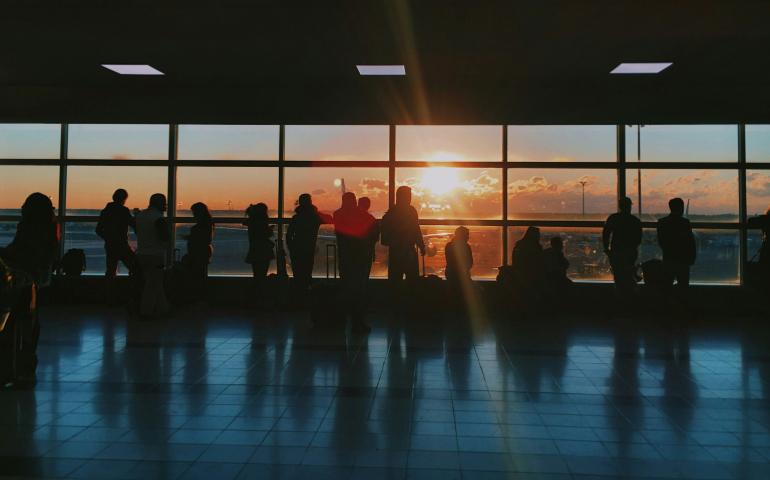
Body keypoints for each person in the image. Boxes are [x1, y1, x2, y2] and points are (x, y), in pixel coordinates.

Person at [0, 192, 60, 383]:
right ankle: (24, 369)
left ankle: (12, 369)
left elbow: (18, 252)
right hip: (36, 279)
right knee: (29, 324)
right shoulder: (50, 226)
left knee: (14, 324)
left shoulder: (29, 227)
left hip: (23, 281)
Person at [334, 192, 375, 332]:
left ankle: (341, 319)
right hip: (360, 258)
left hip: (344, 257)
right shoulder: (361, 216)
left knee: (345, 288)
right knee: (359, 290)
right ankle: (357, 322)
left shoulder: (337, 214)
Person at [381, 186, 425, 293]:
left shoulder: (390, 213)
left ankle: (397, 304)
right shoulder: (411, 211)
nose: (410, 198)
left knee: (395, 281)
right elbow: (416, 230)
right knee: (412, 280)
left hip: (396, 252)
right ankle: (409, 304)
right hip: (409, 251)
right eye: (408, 196)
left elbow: (385, 238)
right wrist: (421, 245)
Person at [286, 194, 332, 294]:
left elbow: (289, 234)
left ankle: (298, 295)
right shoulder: (314, 217)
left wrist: (291, 247)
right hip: (309, 248)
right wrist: (316, 212)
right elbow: (329, 218)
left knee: (298, 273)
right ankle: (305, 294)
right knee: (306, 272)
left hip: (296, 249)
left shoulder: (296, 218)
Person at [135, 193, 171, 318]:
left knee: (154, 283)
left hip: (141, 254)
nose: (166, 206)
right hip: (155, 255)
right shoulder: (158, 218)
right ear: (159, 204)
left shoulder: (140, 216)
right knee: (153, 284)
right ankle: (146, 311)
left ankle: (163, 309)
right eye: (164, 203)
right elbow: (165, 237)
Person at [602, 197, 642, 298]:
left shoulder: (613, 218)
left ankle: (620, 298)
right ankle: (630, 298)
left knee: (619, 277)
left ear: (620, 206)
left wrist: (607, 249)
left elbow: (606, 234)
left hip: (616, 252)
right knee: (629, 276)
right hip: (629, 252)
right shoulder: (635, 220)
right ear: (629, 206)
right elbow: (638, 239)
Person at [657, 198, 696, 293]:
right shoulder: (685, 222)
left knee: (667, 286)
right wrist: (691, 257)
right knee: (683, 287)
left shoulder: (662, 222)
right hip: (683, 260)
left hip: (668, 258)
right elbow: (690, 242)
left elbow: (661, 241)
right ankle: (681, 305)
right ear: (681, 208)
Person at [96, 188, 136, 280]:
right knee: (134, 267)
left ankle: (109, 291)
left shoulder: (105, 211)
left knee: (110, 271)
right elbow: (132, 223)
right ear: (124, 199)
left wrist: (108, 238)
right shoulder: (124, 210)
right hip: (122, 244)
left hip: (110, 245)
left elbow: (98, 230)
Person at [244, 203, 275, 304]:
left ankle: (255, 299)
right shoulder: (261, 222)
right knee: (261, 275)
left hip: (255, 251)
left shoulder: (252, 221)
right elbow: (265, 234)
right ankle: (260, 299)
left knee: (257, 275)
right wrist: (270, 229)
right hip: (263, 251)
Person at [184, 202, 214, 299]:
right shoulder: (208, 224)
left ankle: (199, 297)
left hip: (198, 253)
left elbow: (201, 239)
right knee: (201, 275)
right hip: (203, 252)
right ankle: (201, 298)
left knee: (198, 276)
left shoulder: (200, 226)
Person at [511, 226, 545, 297]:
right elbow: (539, 260)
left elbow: (515, 259)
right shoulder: (536, 246)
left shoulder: (520, 244)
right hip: (532, 274)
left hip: (521, 273)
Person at [445, 226, 473, 294]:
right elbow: (470, 262)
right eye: (467, 235)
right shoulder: (466, 246)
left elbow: (449, 261)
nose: (468, 237)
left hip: (451, 275)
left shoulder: (449, 246)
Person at [358, 196, 379, 278]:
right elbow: (375, 238)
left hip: (354, 252)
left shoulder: (353, 219)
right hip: (367, 251)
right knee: (365, 274)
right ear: (368, 206)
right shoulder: (372, 220)